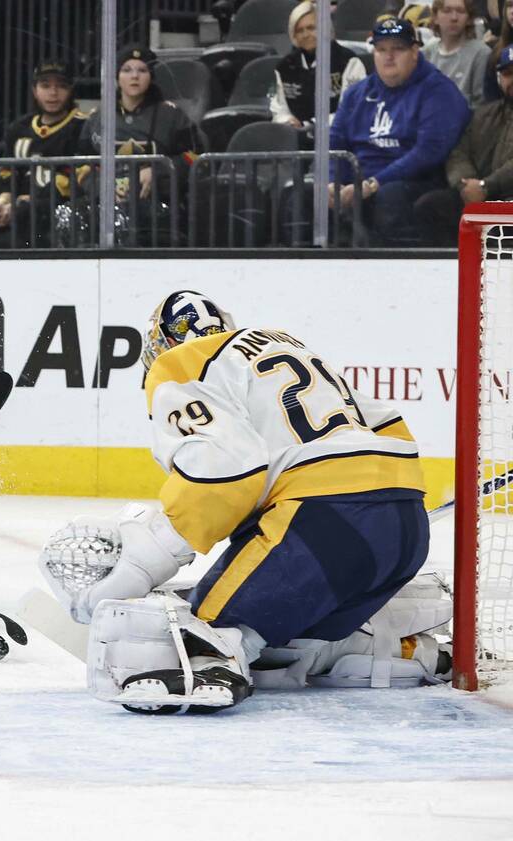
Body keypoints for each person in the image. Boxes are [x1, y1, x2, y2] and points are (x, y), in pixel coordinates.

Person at [37, 291, 448, 714]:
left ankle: (213, 665)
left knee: (200, 632)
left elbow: (224, 474)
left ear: (158, 344)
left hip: (322, 524)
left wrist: (147, 556)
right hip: (406, 527)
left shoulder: (182, 363)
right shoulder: (288, 346)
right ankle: (379, 649)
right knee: (294, 641)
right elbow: (388, 427)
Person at [328, 17, 470, 245]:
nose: (388, 56)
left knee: (389, 196)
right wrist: (332, 181)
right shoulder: (357, 93)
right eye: (381, 49)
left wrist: (374, 183)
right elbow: (335, 141)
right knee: (304, 195)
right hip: (360, 180)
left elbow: (429, 151)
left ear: (415, 51)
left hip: (415, 181)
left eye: (398, 49)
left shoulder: (438, 91)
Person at [0, 59, 89, 249]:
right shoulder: (19, 128)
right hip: (18, 204)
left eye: (61, 86)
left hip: (58, 206)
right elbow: (6, 170)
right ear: (35, 91)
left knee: (27, 213)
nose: (53, 93)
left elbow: (74, 174)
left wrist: (24, 202)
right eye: (45, 86)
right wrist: (3, 200)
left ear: (71, 91)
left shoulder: (82, 126)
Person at [76, 46, 200, 246]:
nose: (134, 76)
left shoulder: (172, 116)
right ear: (117, 76)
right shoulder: (97, 118)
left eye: (142, 70)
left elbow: (195, 157)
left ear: (151, 76)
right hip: (105, 204)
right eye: (127, 70)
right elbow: (81, 163)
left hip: (159, 205)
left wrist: (158, 169)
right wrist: (100, 186)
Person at [415, 45, 513, 242]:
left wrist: (486, 186)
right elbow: (458, 153)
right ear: (499, 78)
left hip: (505, 195)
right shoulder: (484, 114)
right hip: (478, 195)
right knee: (430, 205)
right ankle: (446, 270)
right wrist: (467, 185)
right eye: (508, 73)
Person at [270, 2, 367, 130]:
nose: (305, 35)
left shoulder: (348, 61)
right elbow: (279, 109)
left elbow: (352, 110)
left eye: (311, 28)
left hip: (338, 136)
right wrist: (288, 121)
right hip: (295, 138)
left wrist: (311, 124)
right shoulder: (284, 67)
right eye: (299, 30)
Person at [424, 0, 490, 106]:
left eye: (460, 11)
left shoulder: (481, 53)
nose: (454, 17)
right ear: (435, 17)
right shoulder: (427, 52)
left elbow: (480, 105)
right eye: (447, 11)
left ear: (469, 19)